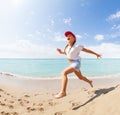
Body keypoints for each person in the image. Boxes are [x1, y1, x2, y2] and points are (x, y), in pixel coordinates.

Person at [54, 31, 101, 99]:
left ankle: (63, 92)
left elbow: (87, 50)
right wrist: (61, 52)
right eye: (67, 36)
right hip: (72, 64)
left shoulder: (77, 45)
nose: (68, 37)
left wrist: (96, 54)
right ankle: (89, 81)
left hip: (76, 63)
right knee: (80, 77)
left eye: (70, 35)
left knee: (64, 73)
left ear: (74, 38)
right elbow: (67, 54)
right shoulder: (67, 47)